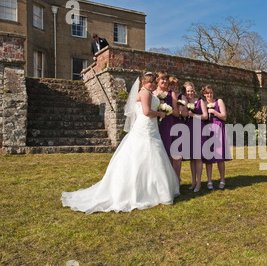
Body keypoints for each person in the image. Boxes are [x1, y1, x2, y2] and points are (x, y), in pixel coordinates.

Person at [61, 72, 180, 214]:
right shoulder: (145, 93)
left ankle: (153, 189)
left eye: (154, 82)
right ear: (143, 82)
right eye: (150, 82)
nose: (152, 84)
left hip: (148, 127)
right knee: (144, 155)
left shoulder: (148, 93)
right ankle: (144, 191)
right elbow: (147, 112)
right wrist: (160, 114)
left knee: (151, 155)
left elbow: (139, 113)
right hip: (146, 126)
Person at [153, 71, 182, 181]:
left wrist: (167, 109)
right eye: (162, 79)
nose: (165, 81)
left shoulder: (172, 94)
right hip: (156, 126)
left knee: (173, 155)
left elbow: (176, 112)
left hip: (170, 126)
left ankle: (176, 180)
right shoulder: (152, 94)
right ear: (157, 80)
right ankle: (163, 181)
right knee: (160, 155)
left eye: (166, 79)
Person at [202, 85, 231, 190]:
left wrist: (214, 112)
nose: (209, 95)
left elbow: (224, 116)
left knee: (219, 156)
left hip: (218, 128)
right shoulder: (203, 103)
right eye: (207, 93)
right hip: (207, 130)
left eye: (211, 93)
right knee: (208, 157)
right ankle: (209, 180)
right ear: (204, 94)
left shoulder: (219, 101)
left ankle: (222, 179)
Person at [183, 81, 208, 192]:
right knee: (192, 158)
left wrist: (193, 115)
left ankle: (199, 182)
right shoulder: (184, 101)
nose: (190, 92)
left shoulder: (200, 101)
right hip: (188, 129)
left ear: (194, 91)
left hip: (199, 129)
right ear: (185, 92)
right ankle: (193, 182)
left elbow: (205, 116)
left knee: (198, 158)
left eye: (192, 90)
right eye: (188, 91)